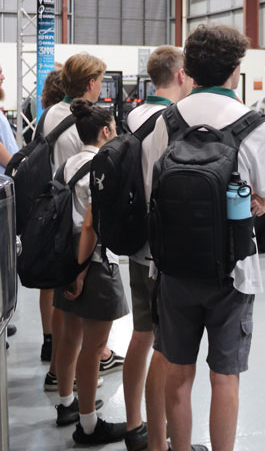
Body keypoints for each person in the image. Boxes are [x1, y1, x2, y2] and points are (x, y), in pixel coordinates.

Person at [156, 25, 265, 451]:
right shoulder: (253, 124)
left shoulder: (169, 120)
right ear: (236, 69)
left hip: (174, 267)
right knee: (224, 376)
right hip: (233, 271)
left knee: (177, 372)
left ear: (188, 69)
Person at [122, 46, 194, 451]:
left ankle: (136, 424)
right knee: (165, 348)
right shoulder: (168, 120)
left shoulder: (133, 116)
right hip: (159, 249)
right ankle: (158, 441)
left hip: (136, 244)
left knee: (141, 335)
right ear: (181, 74)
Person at [42, 54, 124, 393]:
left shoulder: (50, 115)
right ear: (91, 83)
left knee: (65, 309)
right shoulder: (82, 126)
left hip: (58, 221)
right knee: (79, 322)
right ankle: (78, 376)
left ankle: (60, 376)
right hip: (82, 235)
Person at [54, 98, 129, 444]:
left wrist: (71, 267)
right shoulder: (101, 166)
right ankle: (88, 425)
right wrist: (82, 272)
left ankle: (68, 402)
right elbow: (90, 225)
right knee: (94, 346)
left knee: (70, 336)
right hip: (93, 263)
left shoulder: (67, 165)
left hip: (65, 256)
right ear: (106, 130)